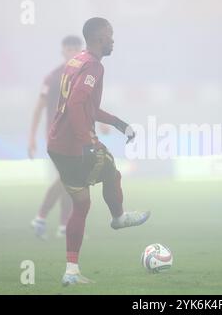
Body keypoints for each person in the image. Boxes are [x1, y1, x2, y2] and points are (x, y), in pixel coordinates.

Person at [47, 17, 150, 285]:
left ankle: (71, 271)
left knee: (81, 204)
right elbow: (77, 103)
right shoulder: (93, 66)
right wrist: (87, 142)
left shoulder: (77, 61)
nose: (113, 39)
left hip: (57, 144)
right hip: (73, 145)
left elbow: (83, 104)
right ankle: (118, 217)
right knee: (112, 173)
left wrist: (117, 123)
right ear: (98, 38)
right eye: (109, 34)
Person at [28, 35, 82, 239]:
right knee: (68, 178)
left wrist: (101, 123)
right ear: (63, 51)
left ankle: (61, 226)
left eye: (76, 48)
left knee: (69, 181)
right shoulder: (53, 77)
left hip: (75, 135)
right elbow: (38, 109)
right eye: (69, 48)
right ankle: (42, 217)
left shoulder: (83, 76)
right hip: (56, 135)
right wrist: (32, 138)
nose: (73, 52)